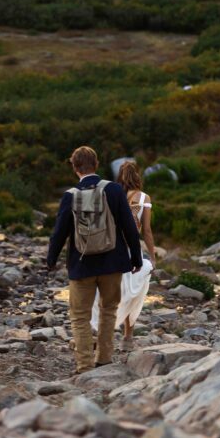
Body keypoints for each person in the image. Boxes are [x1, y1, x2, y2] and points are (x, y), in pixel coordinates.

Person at [47, 146, 142, 374]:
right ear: (96, 164)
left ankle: (84, 365)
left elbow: (60, 231)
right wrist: (136, 256)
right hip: (113, 262)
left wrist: (51, 259)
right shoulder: (115, 190)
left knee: (80, 316)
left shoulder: (70, 195)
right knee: (109, 310)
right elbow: (129, 226)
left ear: (75, 167)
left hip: (81, 264)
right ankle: (105, 359)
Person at [91, 160, 155, 351]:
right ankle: (128, 337)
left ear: (119, 175)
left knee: (107, 292)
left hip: (111, 250)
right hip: (131, 251)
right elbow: (147, 231)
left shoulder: (111, 195)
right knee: (134, 292)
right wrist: (152, 256)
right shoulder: (144, 198)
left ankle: (99, 333)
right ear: (138, 175)